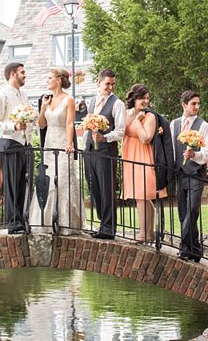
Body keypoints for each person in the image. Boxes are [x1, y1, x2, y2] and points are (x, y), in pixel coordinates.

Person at [29, 68, 85, 234]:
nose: (47, 80)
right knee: (46, 181)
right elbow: (41, 125)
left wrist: (69, 144)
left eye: (50, 78)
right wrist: (43, 107)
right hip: (49, 144)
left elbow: (69, 124)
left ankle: (66, 222)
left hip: (62, 143)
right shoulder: (47, 99)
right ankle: (45, 222)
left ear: (59, 80)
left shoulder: (69, 100)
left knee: (63, 180)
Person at [0, 62, 32, 234]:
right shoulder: (2, 95)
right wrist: (13, 127)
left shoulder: (24, 95)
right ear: (13, 74)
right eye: (22, 72)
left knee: (23, 184)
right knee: (12, 184)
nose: (25, 75)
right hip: (9, 143)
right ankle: (13, 223)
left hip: (24, 144)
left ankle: (21, 220)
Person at [171, 90, 208, 262]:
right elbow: (171, 149)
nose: (197, 107)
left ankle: (183, 247)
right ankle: (195, 250)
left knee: (192, 210)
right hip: (180, 173)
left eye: (198, 103)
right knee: (182, 212)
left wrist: (194, 156)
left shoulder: (204, 126)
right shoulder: (174, 124)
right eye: (193, 103)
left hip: (196, 173)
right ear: (184, 105)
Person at [122, 84, 167, 244]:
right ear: (134, 98)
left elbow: (146, 138)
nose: (145, 101)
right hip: (130, 157)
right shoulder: (126, 114)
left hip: (144, 157)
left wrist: (138, 122)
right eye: (142, 98)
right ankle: (149, 233)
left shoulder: (150, 117)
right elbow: (122, 132)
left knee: (142, 196)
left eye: (147, 98)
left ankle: (143, 233)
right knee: (141, 196)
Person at [84, 69, 125, 240]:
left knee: (107, 189)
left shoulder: (117, 104)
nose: (110, 87)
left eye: (112, 84)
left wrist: (104, 137)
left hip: (107, 151)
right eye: (107, 83)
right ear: (98, 82)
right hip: (90, 150)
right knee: (94, 188)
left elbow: (121, 131)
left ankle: (109, 229)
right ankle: (103, 223)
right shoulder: (92, 100)